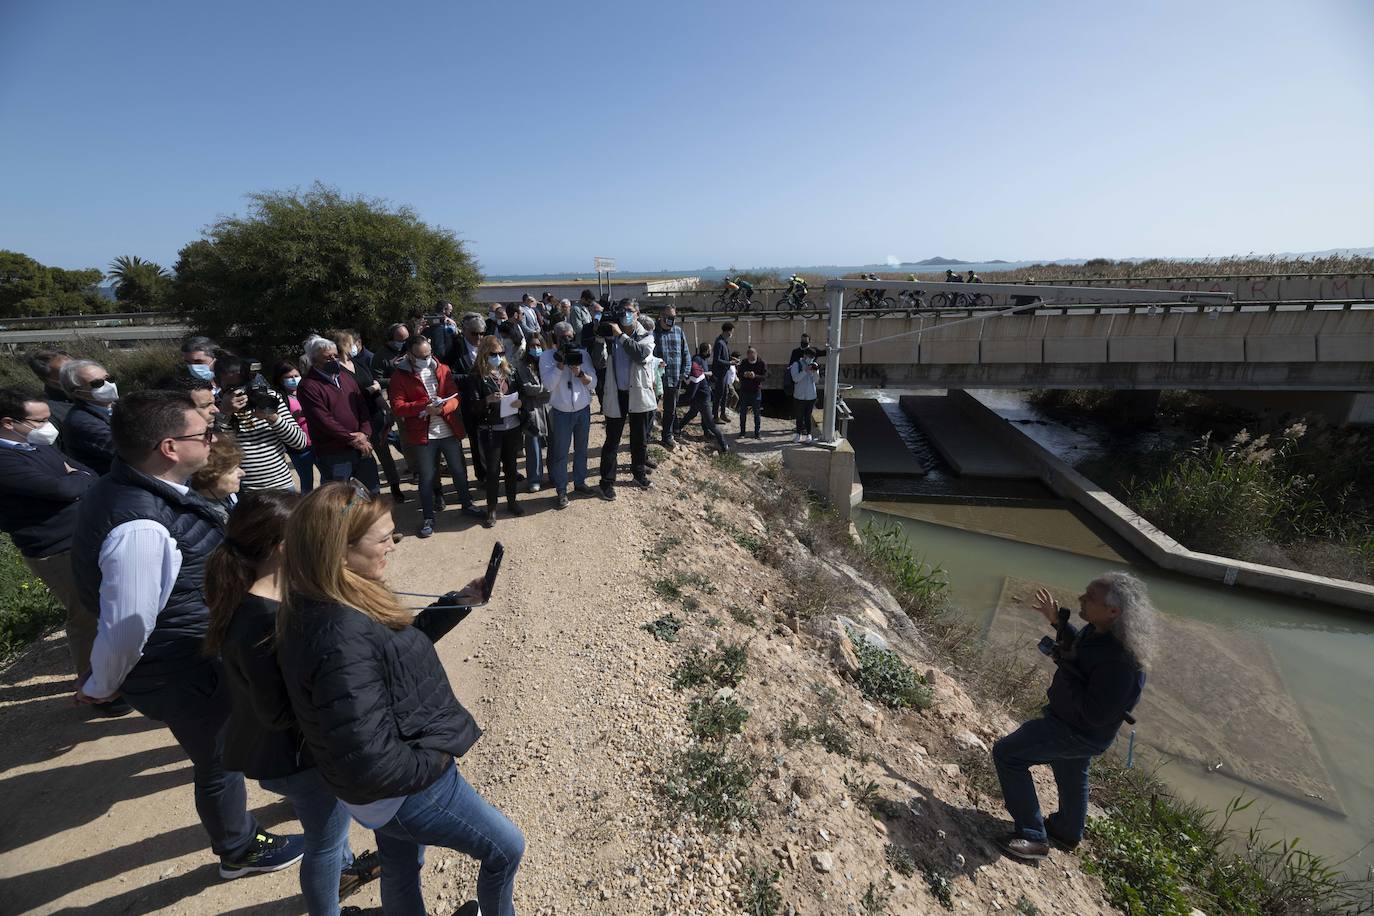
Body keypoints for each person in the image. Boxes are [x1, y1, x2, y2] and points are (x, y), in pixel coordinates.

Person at [71, 390, 304, 877]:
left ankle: (275, 802)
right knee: (219, 760)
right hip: (182, 667)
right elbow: (127, 625)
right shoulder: (140, 525)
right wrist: (101, 684)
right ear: (170, 447)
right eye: (204, 433)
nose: (213, 439)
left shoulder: (147, 494)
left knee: (234, 742)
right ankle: (239, 851)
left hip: (194, 654)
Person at [275, 483, 523, 916]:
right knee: (506, 849)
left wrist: (458, 602)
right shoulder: (340, 631)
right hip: (403, 789)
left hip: (380, 793)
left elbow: (391, 647)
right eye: (383, 538)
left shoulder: (326, 598)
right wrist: (437, 759)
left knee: (401, 862)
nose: (394, 543)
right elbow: (370, 756)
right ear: (339, 550)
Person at [204, 491, 381, 915]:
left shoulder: (270, 595)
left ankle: (344, 871)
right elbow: (279, 711)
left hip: (289, 753)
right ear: (285, 545)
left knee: (329, 835)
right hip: (296, 761)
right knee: (324, 841)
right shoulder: (262, 619)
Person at [992, 574, 1153, 861]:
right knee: (1071, 772)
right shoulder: (1099, 632)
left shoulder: (1121, 663)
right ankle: (1067, 830)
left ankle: (1032, 836)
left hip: (1075, 730)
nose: (1081, 598)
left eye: (1090, 597)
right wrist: (1058, 623)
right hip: (1078, 729)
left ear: (1113, 611)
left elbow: (1094, 714)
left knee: (1008, 754)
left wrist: (1065, 667)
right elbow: (1080, 648)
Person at [0, 387, 127, 716]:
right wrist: (73, 480)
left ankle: (119, 672)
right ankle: (98, 688)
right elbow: (61, 486)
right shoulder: (5, 461)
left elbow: (86, 473)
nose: (48, 426)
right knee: (85, 614)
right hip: (55, 550)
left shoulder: (34, 445)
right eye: (39, 420)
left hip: (83, 538)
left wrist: (75, 479)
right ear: (8, 423)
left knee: (108, 607)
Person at [388, 335, 485, 537]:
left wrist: (441, 410)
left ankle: (467, 504)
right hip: (423, 436)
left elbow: (455, 397)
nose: (427, 358)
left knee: (459, 471)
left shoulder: (443, 369)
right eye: (421, 355)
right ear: (410, 355)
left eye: (429, 353)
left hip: (448, 430)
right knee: (427, 477)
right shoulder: (399, 376)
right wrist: (424, 406)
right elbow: (397, 407)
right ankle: (428, 517)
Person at [296, 337, 380, 492]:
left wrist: (365, 433)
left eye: (335, 356)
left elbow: (361, 405)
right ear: (314, 361)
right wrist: (352, 438)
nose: (334, 360)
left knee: (371, 492)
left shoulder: (345, 377)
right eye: (328, 358)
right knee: (339, 498)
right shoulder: (308, 386)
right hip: (334, 453)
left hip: (362, 447)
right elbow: (323, 420)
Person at [213, 356, 306, 492]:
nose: (238, 392)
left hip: (282, 486)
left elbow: (300, 442)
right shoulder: (214, 407)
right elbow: (219, 449)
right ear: (217, 382)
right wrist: (225, 413)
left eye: (241, 385)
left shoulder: (268, 396)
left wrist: (272, 417)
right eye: (231, 387)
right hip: (244, 490)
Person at [334, 330, 405, 502]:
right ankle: (369, 494)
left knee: (384, 454)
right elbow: (345, 396)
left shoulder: (359, 363)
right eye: (353, 343)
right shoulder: (336, 369)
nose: (357, 346)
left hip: (374, 415)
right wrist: (370, 390)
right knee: (363, 458)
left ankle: (395, 486)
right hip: (354, 420)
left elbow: (375, 387)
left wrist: (387, 409)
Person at [597, 300, 656, 500]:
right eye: (623, 311)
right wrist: (599, 336)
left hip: (637, 393)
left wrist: (619, 335)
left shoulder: (646, 336)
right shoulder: (609, 335)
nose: (626, 314)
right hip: (617, 393)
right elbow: (597, 359)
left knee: (639, 438)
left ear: (638, 314)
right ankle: (606, 482)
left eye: (630, 311)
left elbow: (639, 355)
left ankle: (639, 473)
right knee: (612, 440)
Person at [540, 321, 597, 510]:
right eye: (563, 336)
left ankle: (580, 482)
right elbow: (548, 385)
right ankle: (561, 490)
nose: (567, 339)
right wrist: (560, 365)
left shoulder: (583, 354)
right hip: (561, 412)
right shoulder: (547, 357)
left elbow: (593, 382)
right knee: (560, 454)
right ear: (555, 337)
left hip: (582, 410)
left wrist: (579, 373)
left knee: (581, 449)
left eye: (569, 336)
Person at [471, 335, 525, 528]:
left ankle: (512, 502)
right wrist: (486, 400)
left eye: (501, 353)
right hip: (491, 430)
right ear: (485, 353)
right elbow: (471, 407)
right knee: (493, 471)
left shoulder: (511, 371)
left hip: (512, 427)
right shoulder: (477, 375)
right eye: (494, 354)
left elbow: (523, 394)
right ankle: (491, 509)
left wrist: (521, 403)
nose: (499, 357)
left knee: (511, 468)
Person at [443, 312, 490, 482]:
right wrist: (471, 378)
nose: (478, 337)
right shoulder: (454, 349)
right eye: (474, 333)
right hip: (468, 402)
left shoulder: (487, 345)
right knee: (476, 441)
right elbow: (448, 375)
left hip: (490, 399)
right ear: (465, 331)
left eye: (481, 333)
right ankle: (482, 475)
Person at [58, 358, 119, 474]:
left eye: (108, 379)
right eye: (97, 383)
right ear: (78, 393)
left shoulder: (120, 406)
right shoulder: (82, 422)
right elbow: (128, 451)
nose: (108, 385)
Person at [269, 360, 314, 494]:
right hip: (299, 448)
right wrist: (297, 416)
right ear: (280, 380)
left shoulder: (307, 390)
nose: (294, 380)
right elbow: (281, 424)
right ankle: (306, 507)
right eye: (289, 377)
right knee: (307, 480)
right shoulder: (279, 398)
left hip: (317, 442)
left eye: (296, 375)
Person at [514, 334, 550, 492]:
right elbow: (527, 388)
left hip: (551, 408)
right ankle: (534, 479)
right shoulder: (521, 366)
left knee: (554, 444)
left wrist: (542, 390)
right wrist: (547, 388)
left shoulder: (550, 362)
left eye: (538, 345)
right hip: (532, 409)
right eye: (532, 346)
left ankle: (554, 475)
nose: (536, 349)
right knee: (533, 446)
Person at [677, 343, 728, 453]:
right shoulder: (696, 361)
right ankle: (677, 429)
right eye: (709, 350)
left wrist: (675, 402)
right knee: (692, 413)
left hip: (702, 397)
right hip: (700, 396)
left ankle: (724, 447)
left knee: (711, 424)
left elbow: (690, 394)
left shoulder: (694, 369)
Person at [653, 306, 690, 449]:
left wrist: (684, 373)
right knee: (651, 409)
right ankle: (647, 434)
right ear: (661, 316)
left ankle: (667, 436)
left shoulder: (678, 331)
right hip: (656, 380)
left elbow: (685, 353)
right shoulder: (653, 333)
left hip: (674, 378)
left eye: (674, 317)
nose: (672, 320)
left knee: (670, 410)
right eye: (669, 317)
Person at [190, 433, 246, 518]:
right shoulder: (200, 516)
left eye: (238, 467)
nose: (242, 473)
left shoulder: (229, 496)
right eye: (231, 471)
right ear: (210, 476)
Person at [26, 348, 74, 432]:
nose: (78, 374)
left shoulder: (97, 384)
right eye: (66, 373)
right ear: (46, 380)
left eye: (76, 367)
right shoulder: (51, 412)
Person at [790, 347, 820, 443]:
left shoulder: (814, 365)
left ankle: (808, 435)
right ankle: (798, 434)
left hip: (811, 396)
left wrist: (814, 372)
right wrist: (805, 370)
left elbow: (816, 380)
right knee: (799, 416)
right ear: (804, 355)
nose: (810, 358)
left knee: (808, 416)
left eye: (812, 357)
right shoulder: (796, 364)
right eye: (809, 356)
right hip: (799, 395)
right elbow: (795, 379)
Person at [737, 346, 766, 439]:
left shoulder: (761, 363)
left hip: (756, 391)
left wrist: (755, 376)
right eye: (749, 355)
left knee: (757, 413)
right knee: (742, 413)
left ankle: (757, 433)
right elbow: (739, 373)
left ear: (756, 354)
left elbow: (765, 376)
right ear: (747, 355)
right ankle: (742, 432)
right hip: (744, 391)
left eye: (753, 355)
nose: (751, 357)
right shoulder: (744, 362)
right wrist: (744, 374)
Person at [710, 323, 735, 423]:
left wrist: (732, 359)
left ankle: (723, 413)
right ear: (728, 331)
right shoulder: (720, 343)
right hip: (720, 373)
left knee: (725, 394)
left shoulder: (724, 342)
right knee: (719, 395)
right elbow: (717, 360)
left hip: (724, 373)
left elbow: (725, 356)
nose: (732, 334)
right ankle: (715, 416)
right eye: (732, 331)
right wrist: (729, 362)